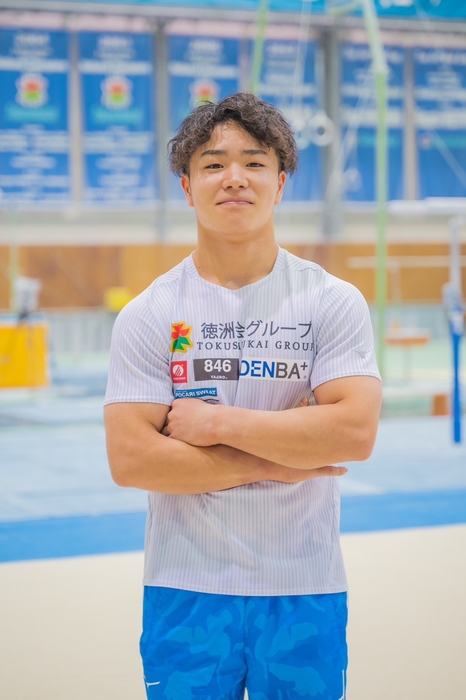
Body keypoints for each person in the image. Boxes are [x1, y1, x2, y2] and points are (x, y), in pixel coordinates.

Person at [104, 92, 382, 700]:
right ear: (187, 186)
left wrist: (214, 426)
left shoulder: (331, 301)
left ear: (280, 184)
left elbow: (353, 434)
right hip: (186, 584)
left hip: (304, 582)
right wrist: (278, 458)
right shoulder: (150, 313)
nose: (235, 178)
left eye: (255, 162)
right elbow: (132, 460)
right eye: (213, 164)